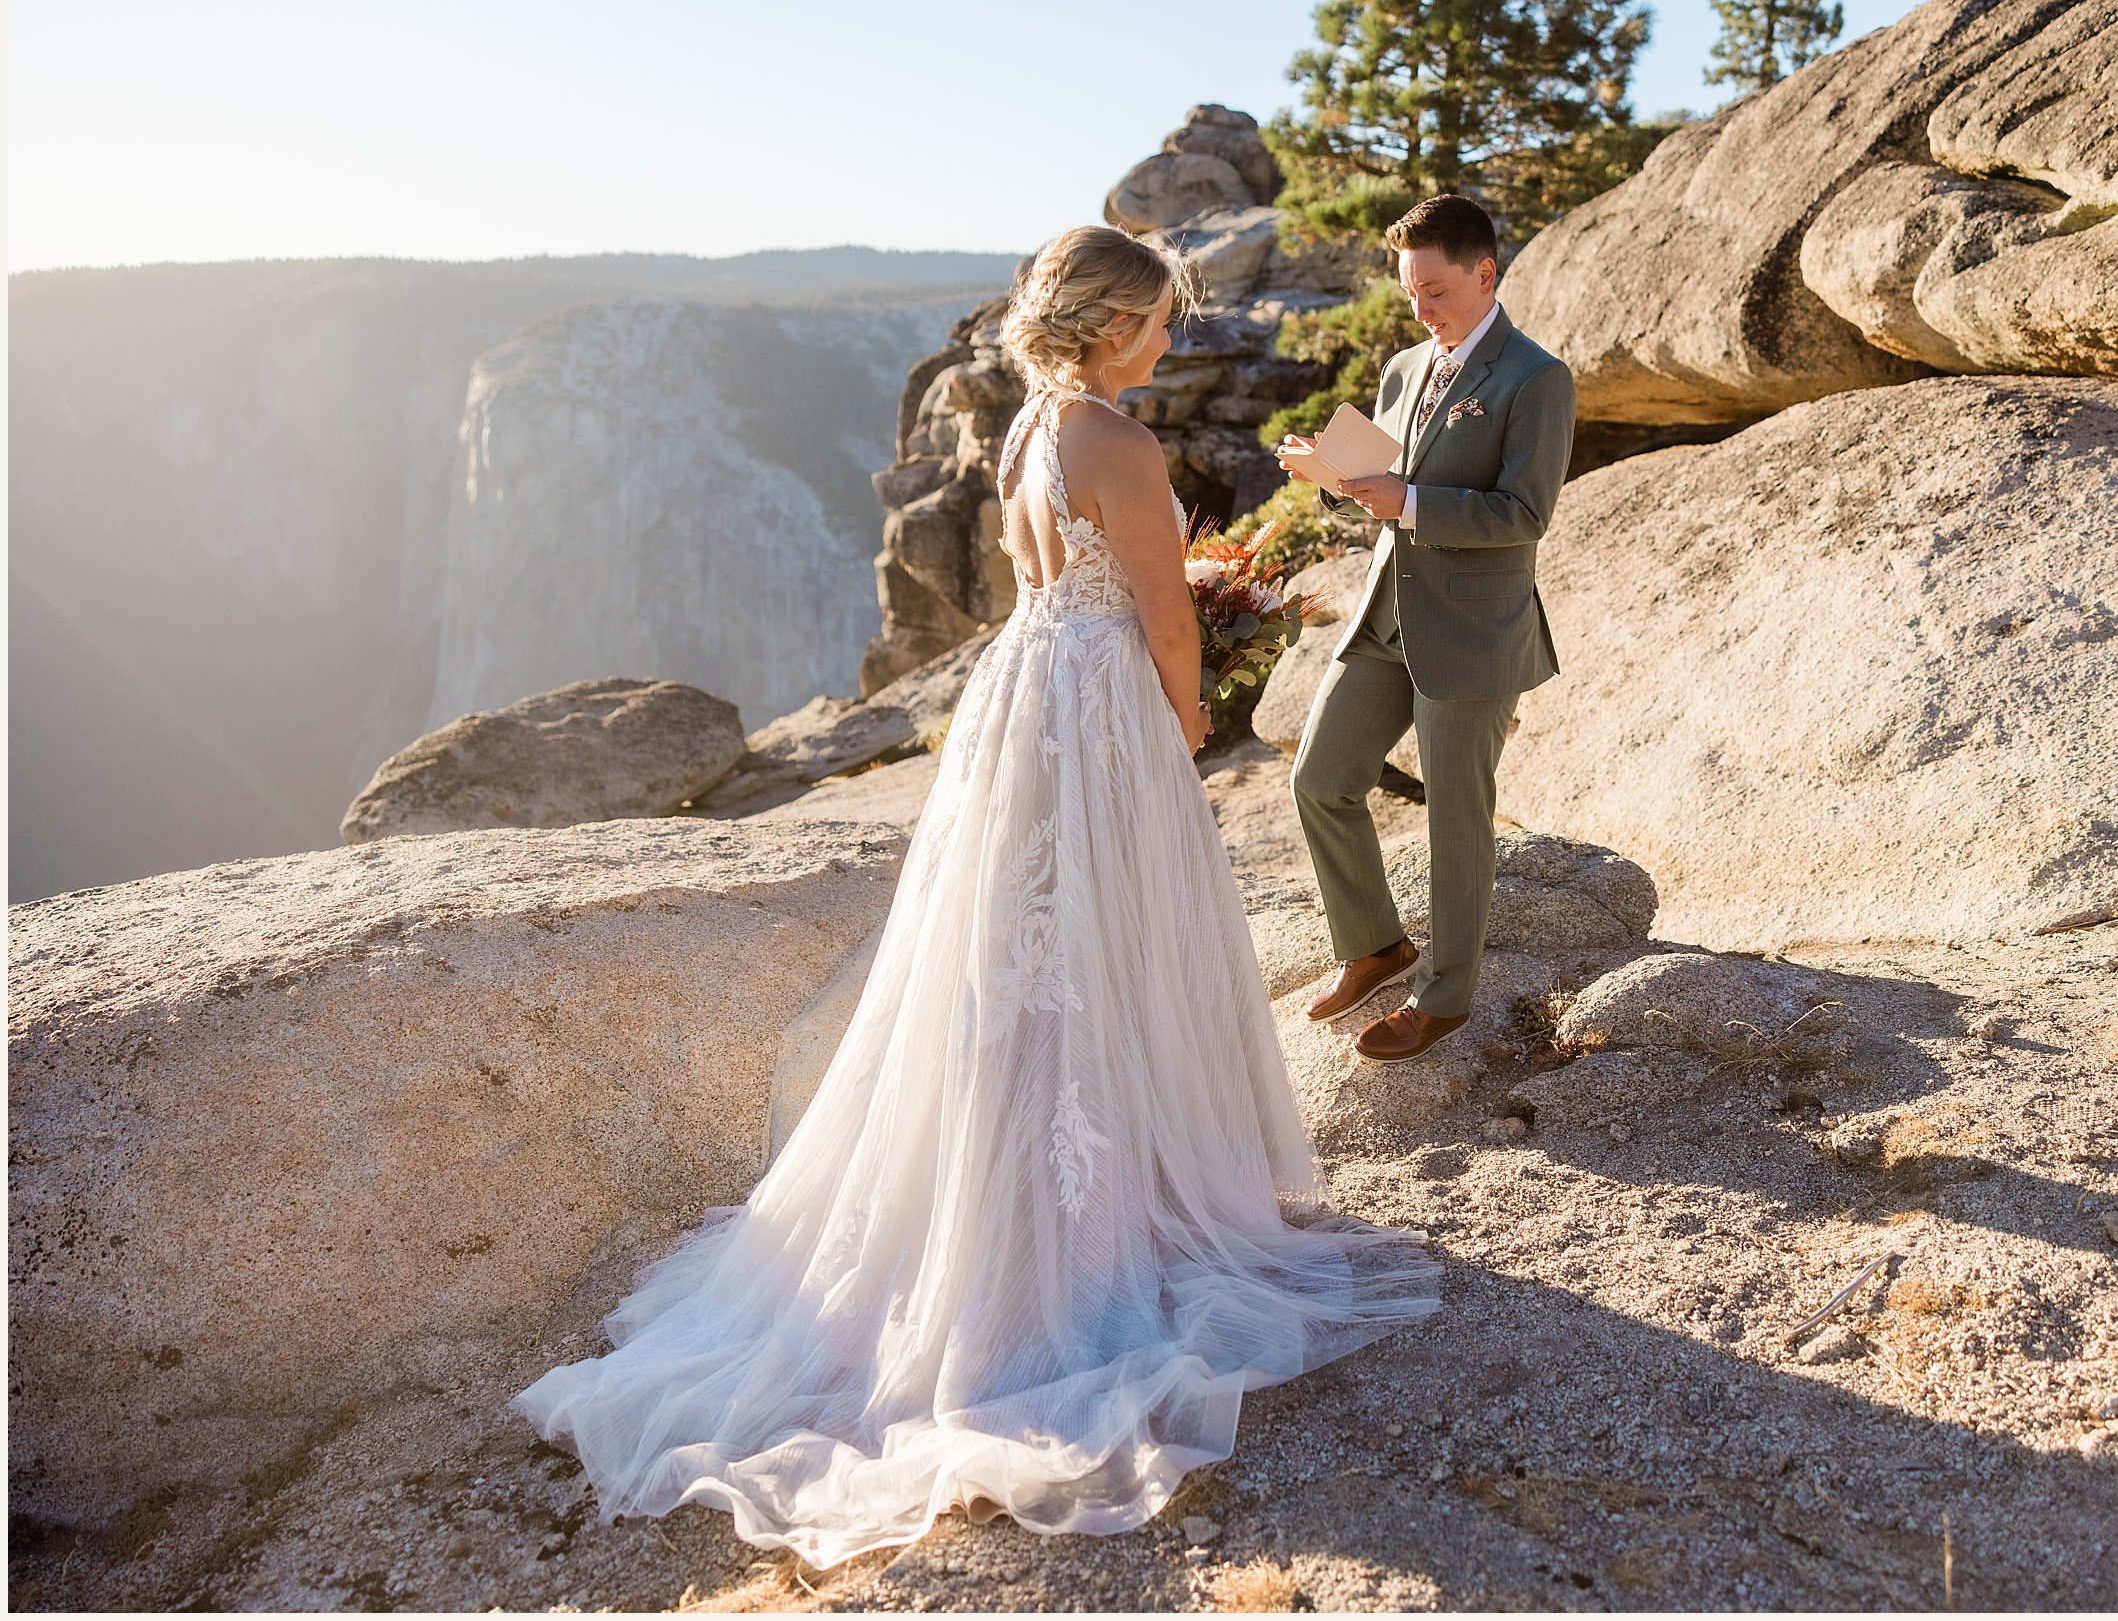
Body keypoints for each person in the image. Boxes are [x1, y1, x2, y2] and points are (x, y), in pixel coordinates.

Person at [511, 225, 1437, 1569]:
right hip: (1104, 705)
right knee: (1108, 946)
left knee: (1018, 958)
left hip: (1028, 698)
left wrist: (1177, 592)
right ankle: (1086, 1235)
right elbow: (1160, 623)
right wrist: (1183, 726)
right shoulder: (1117, 444)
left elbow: (1066, 582)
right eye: (1158, 321)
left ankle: (1011, 1190)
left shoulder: (1027, 429)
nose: (1172, 340)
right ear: (1110, 325)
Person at [1276, 194, 1575, 1065]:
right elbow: (1389, 484)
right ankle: (1375, 945)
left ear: (1487, 273)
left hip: (1475, 633)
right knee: (1320, 778)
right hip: (1386, 613)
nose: (1421, 311)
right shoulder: (1406, 367)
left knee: (1455, 819)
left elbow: (1525, 513)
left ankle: (1443, 998)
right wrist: (1336, 477)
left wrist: (1406, 501)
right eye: (1411, 293)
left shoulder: (1536, 377)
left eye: (1436, 291)